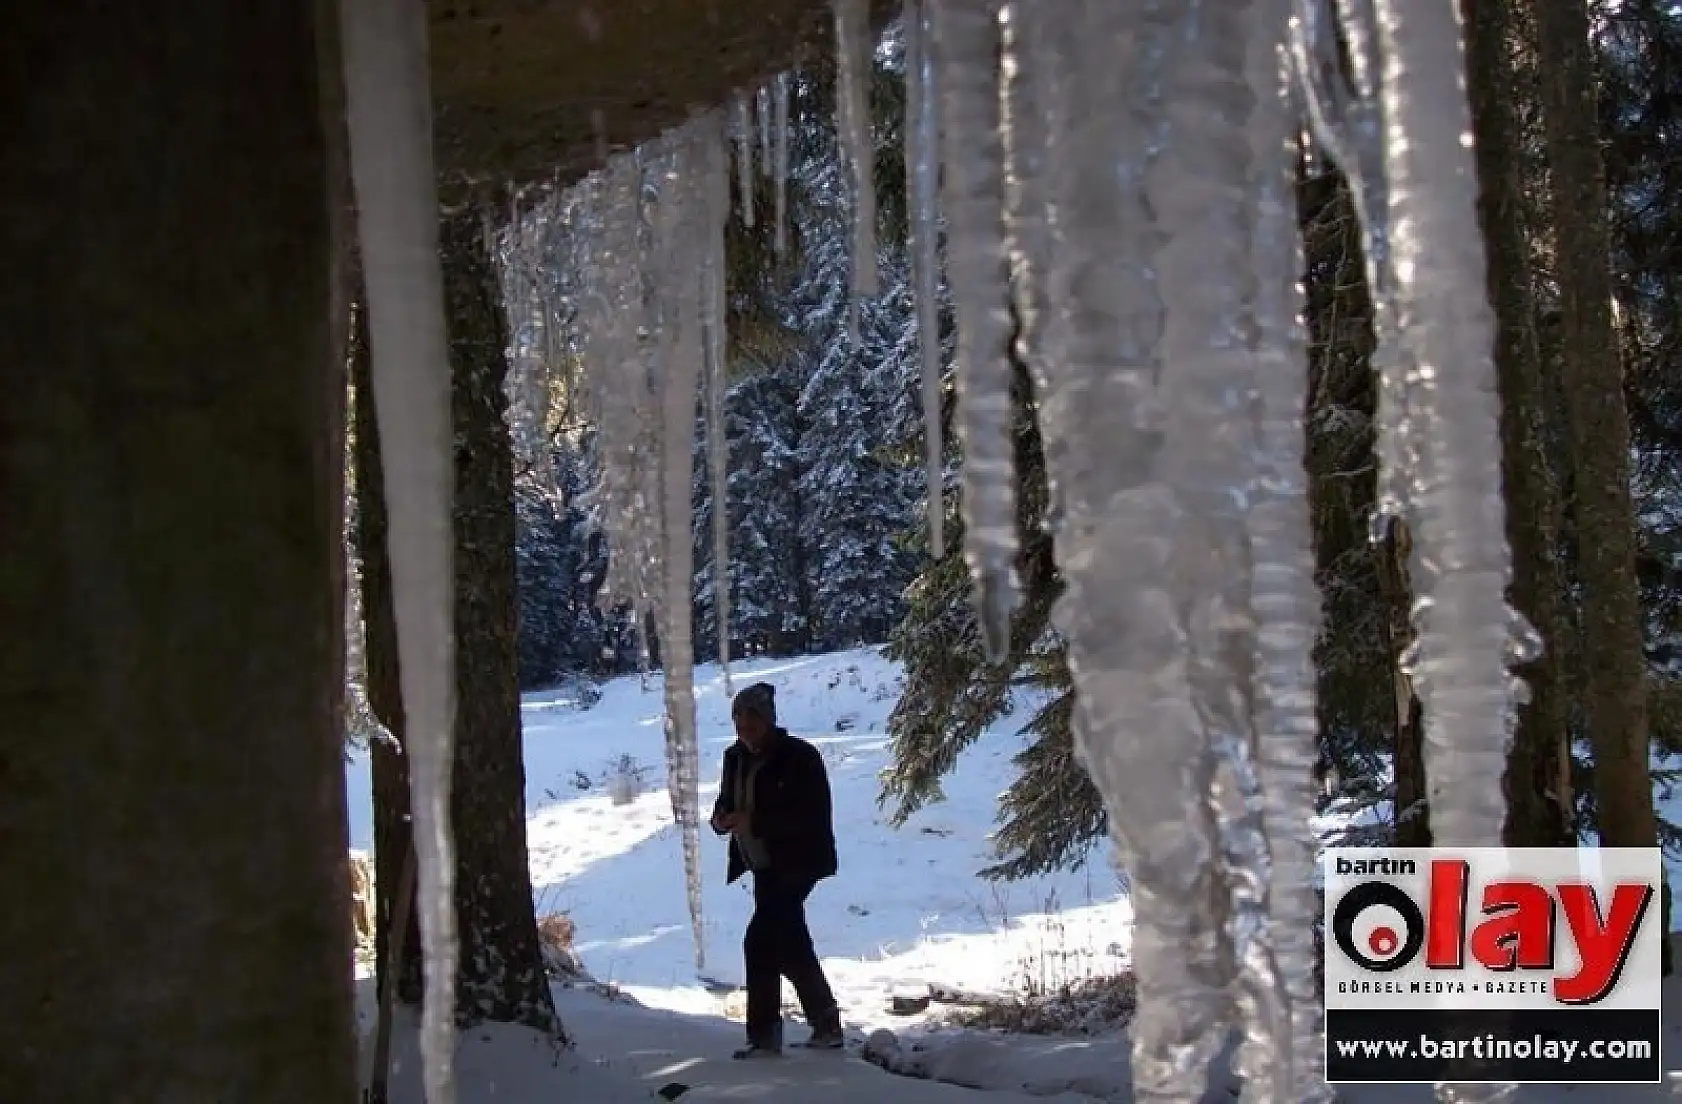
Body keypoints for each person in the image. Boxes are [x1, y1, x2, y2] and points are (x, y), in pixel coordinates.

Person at [709, 681, 844, 1058]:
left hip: (798, 863)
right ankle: (826, 1023)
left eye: (751, 719)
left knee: (760, 942)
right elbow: (726, 800)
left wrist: (755, 822)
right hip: (762, 865)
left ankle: (764, 1036)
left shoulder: (799, 757)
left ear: (768, 720)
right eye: (738, 719)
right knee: (791, 944)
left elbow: (809, 816)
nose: (744, 727)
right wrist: (720, 819)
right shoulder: (734, 757)